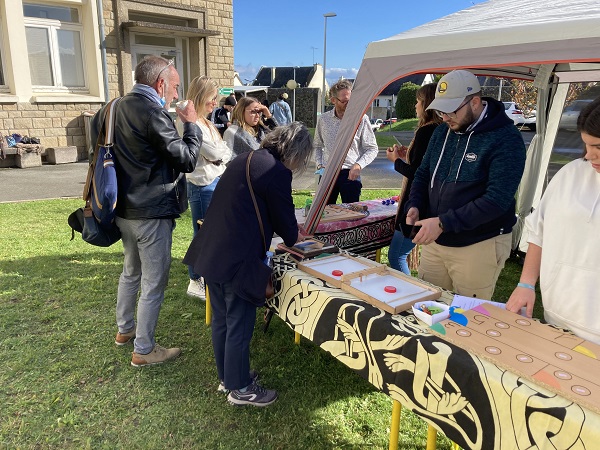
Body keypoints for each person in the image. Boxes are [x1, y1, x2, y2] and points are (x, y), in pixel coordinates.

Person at [183, 122, 312, 406]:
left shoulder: (245, 158)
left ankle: (228, 377)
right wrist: (297, 233)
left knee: (222, 320)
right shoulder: (276, 172)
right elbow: (289, 231)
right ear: (296, 153)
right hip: (237, 257)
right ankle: (240, 389)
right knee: (239, 323)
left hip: (211, 250)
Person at [90, 56, 202, 366]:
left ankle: (124, 331)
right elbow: (187, 160)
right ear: (160, 83)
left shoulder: (111, 107)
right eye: (175, 87)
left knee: (131, 272)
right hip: (151, 212)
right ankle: (144, 349)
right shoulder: (154, 112)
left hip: (120, 208)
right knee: (153, 282)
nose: (176, 95)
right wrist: (191, 123)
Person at [405, 70, 526, 299]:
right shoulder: (442, 131)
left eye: (451, 110)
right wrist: (416, 204)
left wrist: (442, 223)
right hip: (436, 240)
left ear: (476, 102)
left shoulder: (506, 139)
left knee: (467, 318)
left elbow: (496, 200)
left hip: (478, 243)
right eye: (440, 110)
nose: (445, 117)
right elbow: (423, 173)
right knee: (425, 306)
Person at [506, 97, 600, 344]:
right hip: (557, 316)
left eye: (598, 147)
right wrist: (526, 284)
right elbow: (539, 230)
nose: (589, 156)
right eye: (586, 145)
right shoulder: (570, 174)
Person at [183, 76, 232, 299]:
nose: (215, 103)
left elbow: (225, 151)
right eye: (212, 98)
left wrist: (218, 156)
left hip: (216, 181)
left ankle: (205, 275)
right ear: (201, 96)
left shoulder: (207, 122)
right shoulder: (189, 122)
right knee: (201, 233)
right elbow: (213, 153)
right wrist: (218, 155)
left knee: (211, 232)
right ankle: (195, 280)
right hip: (202, 185)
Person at [386, 83, 442, 274]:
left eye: (418, 101)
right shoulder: (441, 129)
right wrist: (406, 155)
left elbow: (419, 173)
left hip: (417, 203)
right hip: (429, 201)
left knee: (396, 255)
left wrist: (396, 161)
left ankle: (405, 294)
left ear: (427, 104)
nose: (415, 106)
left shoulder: (427, 131)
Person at [314, 79, 378, 204]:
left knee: (351, 217)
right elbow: (316, 145)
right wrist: (319, 165)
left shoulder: (361, 119)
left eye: (351, 101)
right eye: (344, 101)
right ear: (333, 100)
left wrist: (359, 165)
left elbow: (372, 148)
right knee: (324, 214)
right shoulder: (323, 120)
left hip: (350, 174)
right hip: (327, 173)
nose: (349, 105)